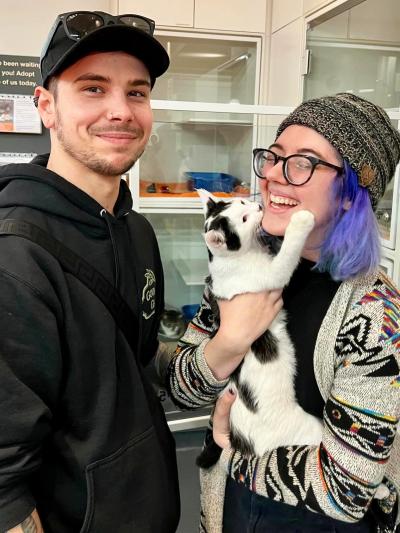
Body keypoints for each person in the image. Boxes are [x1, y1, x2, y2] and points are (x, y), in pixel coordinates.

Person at [165, 93, 400, 532]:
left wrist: (234, 449)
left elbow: (344, 489)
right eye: (274, 157)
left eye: (304, 162)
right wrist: (228, 342)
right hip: (233, 511)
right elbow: (182, 386)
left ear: (351, 195)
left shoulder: (377, 315)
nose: (273, 175)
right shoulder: (241, 266)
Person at [0, 11, 180, 533]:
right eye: (93, 88)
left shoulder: (136, 230)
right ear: (47, 107)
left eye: (137, 92)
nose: (121, 111)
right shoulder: (16, 257)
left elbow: (135, 369)